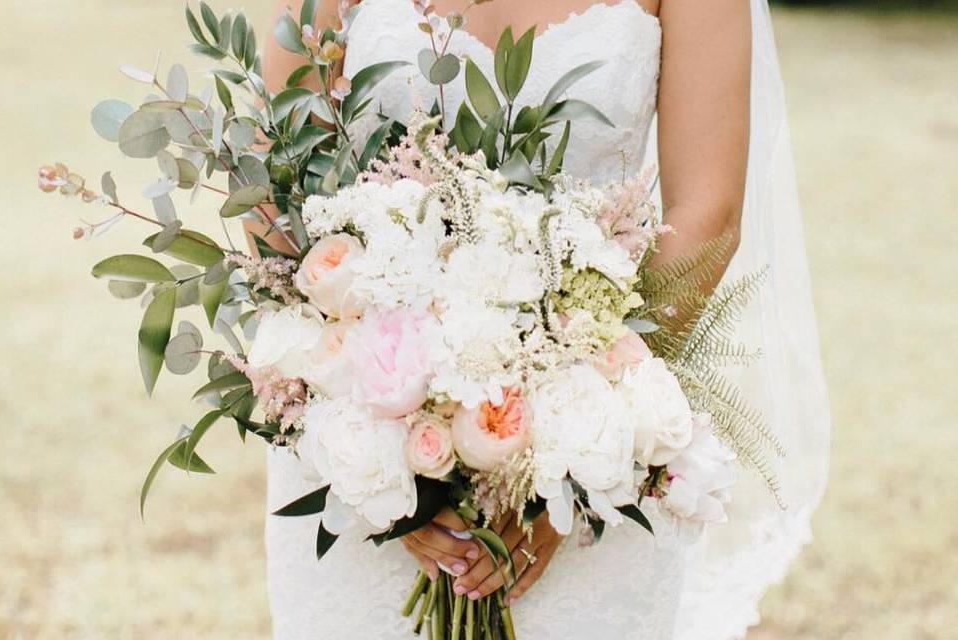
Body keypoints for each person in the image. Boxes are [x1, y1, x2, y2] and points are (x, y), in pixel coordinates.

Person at [259, 1, 830, 638]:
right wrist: (389, 466)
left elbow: (707, 215)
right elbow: (271, 178)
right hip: (359, 457)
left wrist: (565, 466)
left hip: (591, 458)